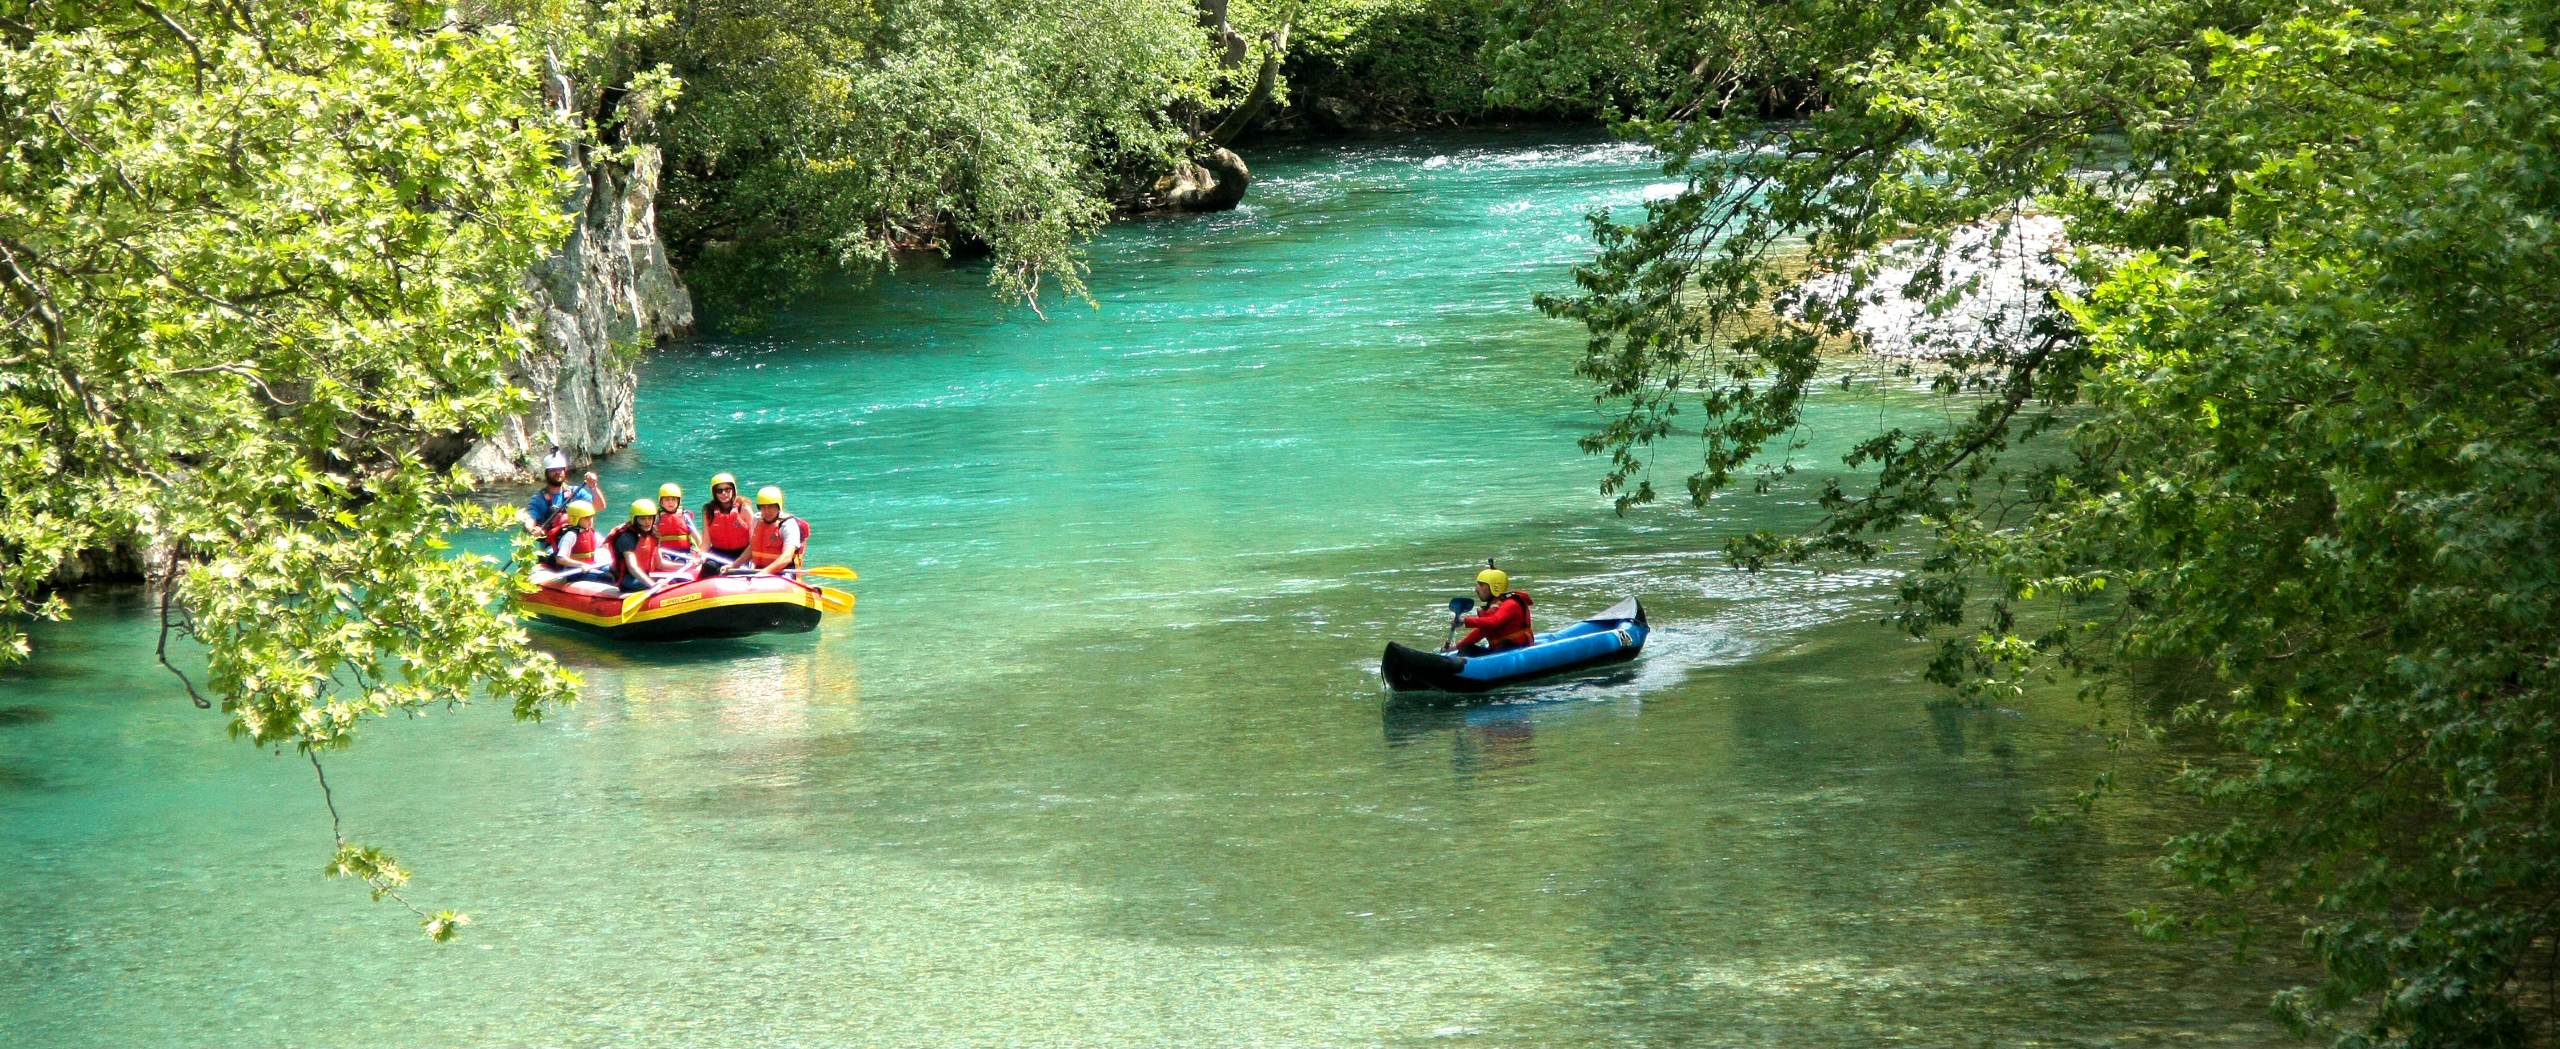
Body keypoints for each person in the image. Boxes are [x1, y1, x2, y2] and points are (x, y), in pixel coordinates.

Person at [518, 447, 604, 538]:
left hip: (580, 541)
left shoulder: (576, 492)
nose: (558, 472)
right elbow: (531, 518)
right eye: (553, 470)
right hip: (553, 545)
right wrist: (531, 529)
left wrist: (593, 487)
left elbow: (600, 507)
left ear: (564, 470)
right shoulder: (539, 499)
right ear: (546, 473)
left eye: (560, 469)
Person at [1446, 565, 1534, 653]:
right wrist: (1456, 648)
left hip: (1517, 648)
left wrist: (1464, 621)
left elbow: (1494, 621)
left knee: (1506, 643)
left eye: (1481, 585)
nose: (1476, 589)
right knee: (1465, 649)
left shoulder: (1511, 604)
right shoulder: (1491, 608)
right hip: (1498, 651)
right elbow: (1480, 632)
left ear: (1495, 587)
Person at [601, 499, 669, 593]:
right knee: (665, 583)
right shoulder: (626, 537)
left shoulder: (653, 533)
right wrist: (653, 584)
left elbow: (660, 563)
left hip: (646, 573)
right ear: (634, 519)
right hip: (628, 578)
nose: (647, 522)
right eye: (642, 519)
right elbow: (633, 568)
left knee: (675, 579)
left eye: (650, 518)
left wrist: (688, 565)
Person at [745, 485, 810, 575]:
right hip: (758, 570)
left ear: (779, 506)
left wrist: (765, 572)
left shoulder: (788, 525)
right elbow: (753, 547)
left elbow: (787, 557)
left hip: (783, 571)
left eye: (771, 506)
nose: (767, 511)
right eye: (763, 507)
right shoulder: (757, 519)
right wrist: (734, 565)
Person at [537, 500, 608, 583]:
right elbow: (560, 559)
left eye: (592, 516)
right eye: (586, 518)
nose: (591, 520)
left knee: (612, 571)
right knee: (607, 578)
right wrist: (581, 565)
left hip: (589, 567)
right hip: (574, 572)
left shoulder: (590, 532)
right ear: (576, 519)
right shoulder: (571, 535)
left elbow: (605, 545)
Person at [699, 472, 755, 570]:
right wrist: (701, 555)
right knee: (708, 567)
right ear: (714, 493)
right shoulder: (708, 511)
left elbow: (753, 541)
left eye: (727, 489)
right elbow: (706, 542)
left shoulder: (744, 508)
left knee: (738, 572)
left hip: (742, 553)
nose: (724, 493)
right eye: (719, 491)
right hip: (718, 553)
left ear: (733, 490)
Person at [653, 483, 701, 566]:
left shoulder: (684, 516)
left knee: (681, 562)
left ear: (678, 501)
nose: (670, 502)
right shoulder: (658, 517)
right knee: (665, 560)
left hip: (683, 552)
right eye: (667, 500)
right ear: (661, 502)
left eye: (674, 499)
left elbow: (695, 534)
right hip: (665, 551)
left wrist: (701, 550)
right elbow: (650, 530)